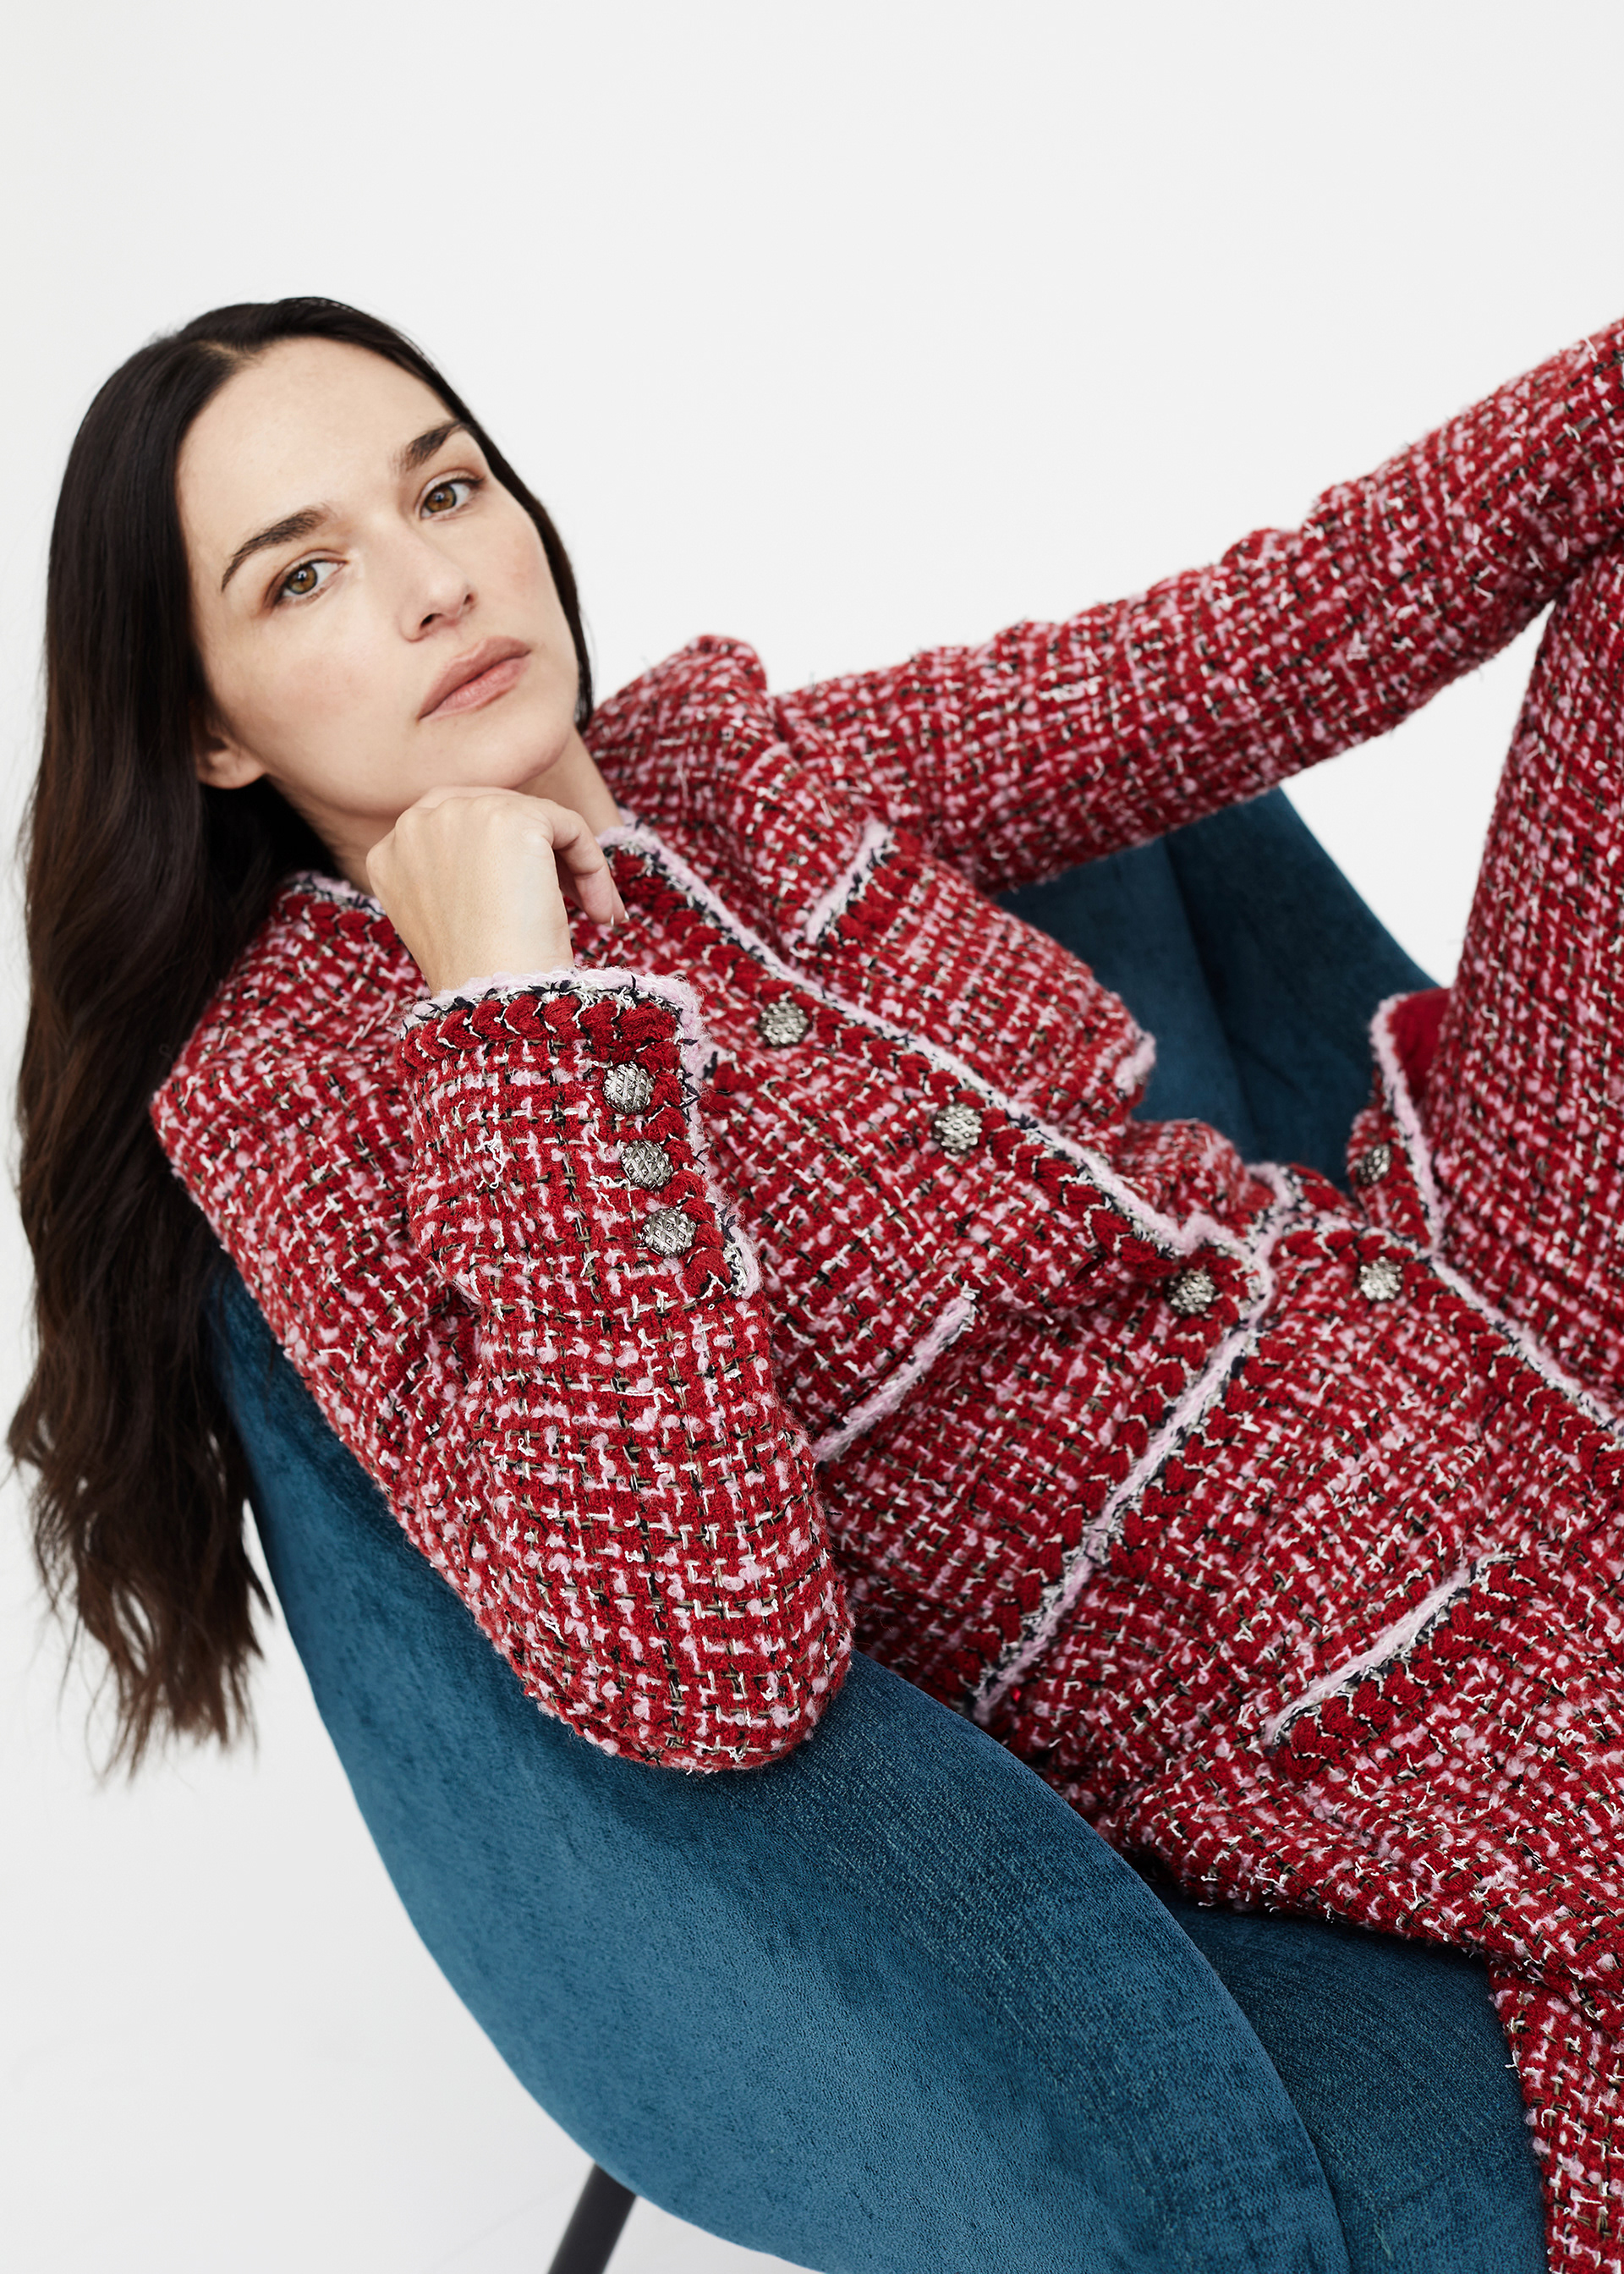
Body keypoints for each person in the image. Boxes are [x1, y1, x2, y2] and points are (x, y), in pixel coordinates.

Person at [14, 296, 1624, 2271]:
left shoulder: (734, 761)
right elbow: (705, 1657)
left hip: (1461, 1281)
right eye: (305, 575)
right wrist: (517, 1001)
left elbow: (1253, 641)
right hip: (1338, 1646)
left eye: (445, 489)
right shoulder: (305, 1097)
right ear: (206, 724)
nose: (438, 583)